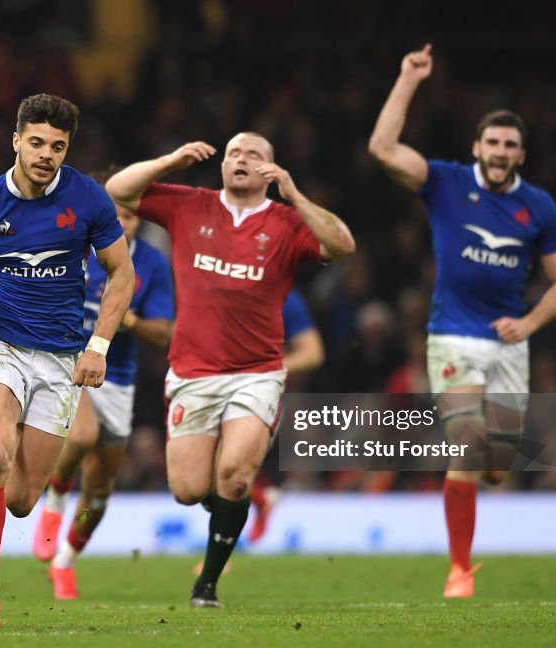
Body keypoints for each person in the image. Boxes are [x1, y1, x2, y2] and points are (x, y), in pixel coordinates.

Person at [105, 133, 355, 607]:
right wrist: (170, 160)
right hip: (193, 371)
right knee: (187, 489)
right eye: (234, 153)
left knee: (235, 474)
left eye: (254, 155)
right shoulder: (190, 205)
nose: (241, 160)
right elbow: (117, 190)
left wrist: (295, 194)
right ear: (222, 165)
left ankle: (207, 585)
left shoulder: (287, 222)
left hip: (256, 372)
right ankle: (243, 508)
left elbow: (342, 245)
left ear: (270, 170)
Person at [368, 44, 556, 598]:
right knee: (466, 443)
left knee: (495, 468)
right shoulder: (445, 182)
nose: (500, 150)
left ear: (522, 155)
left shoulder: (540, 207)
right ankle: (459, 570)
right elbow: (383, 147)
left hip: (509, 343)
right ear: (476, 147)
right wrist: (409, 79)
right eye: (493, 141)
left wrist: (530, 324)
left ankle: (469, 536)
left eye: (511, 144)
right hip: (453, 336)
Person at [0, 94, 135, 628]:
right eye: (36, 142)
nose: (46, 154)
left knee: (19, 500)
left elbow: (121, 275)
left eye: (57, 146)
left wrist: (98, 346)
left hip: (60, 359)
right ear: (15, 140)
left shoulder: (89, 200)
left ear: (68, 149)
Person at [30, 200, 175, 600]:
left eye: (129, 217)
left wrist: (123, 317)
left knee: (99, 492)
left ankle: (64, 561)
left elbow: (163, 332)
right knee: (79, 437)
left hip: (118, 380)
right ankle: (55, 499)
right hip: (68, 364)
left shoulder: (151, 264)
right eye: (115, 216)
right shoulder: (72, 249)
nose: (121, 224)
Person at [247, 288, 325, 543]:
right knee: (197, 475)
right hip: (216, 387)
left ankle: (221, 558)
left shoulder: (285, 298)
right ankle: (259, 498)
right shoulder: (217, 288)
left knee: (225, 469)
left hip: (262, 394)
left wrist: (265, 370)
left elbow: (312, 353)